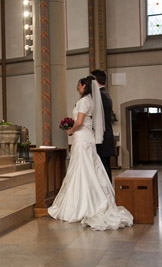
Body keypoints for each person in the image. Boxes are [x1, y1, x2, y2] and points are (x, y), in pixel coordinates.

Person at [48, 76, 133, 231]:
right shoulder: (92, 101)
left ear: (83, 86)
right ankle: (96, 198)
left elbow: (79, 122)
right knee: (90, 168)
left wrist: (70, 130)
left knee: (81, 168)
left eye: (78, 85)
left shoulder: (82, 102)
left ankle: (82, 204)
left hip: (81, 138)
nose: (77, 87)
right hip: (89, 138)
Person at [91, 69, 115, 183]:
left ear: (95, 81)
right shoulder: (105, 94)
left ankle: (107, 193)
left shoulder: (100, 96)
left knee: (103, 168)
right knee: (104, 167)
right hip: (106, 136)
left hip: (102, 137)